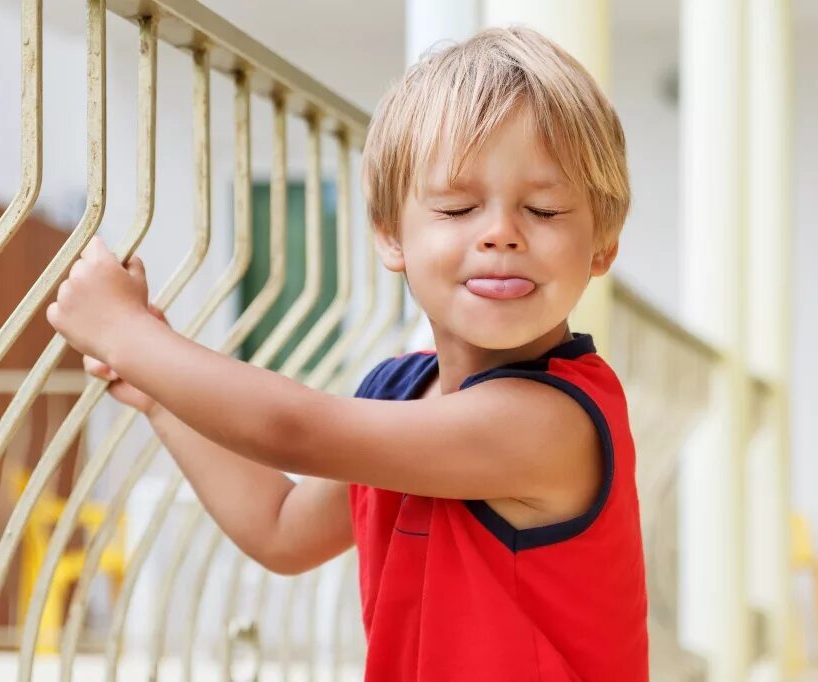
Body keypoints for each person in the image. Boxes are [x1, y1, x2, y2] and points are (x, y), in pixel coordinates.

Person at [47, 24, 648, 682]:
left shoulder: (550, 422)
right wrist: (158, 395)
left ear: (602, 245)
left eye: (544, 208)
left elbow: (292, 429)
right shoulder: (400, 391)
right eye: (456, 208)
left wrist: (129, 334)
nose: (501, 234)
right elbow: (280, 529)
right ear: (391, 235)